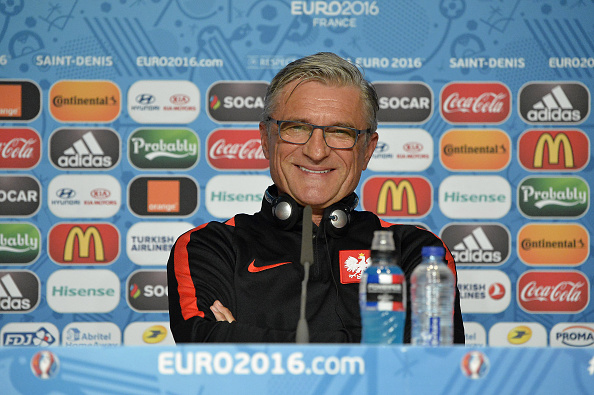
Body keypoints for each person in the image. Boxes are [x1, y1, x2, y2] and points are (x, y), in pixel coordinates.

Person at [167, 52, 465, 343]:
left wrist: (242, 339)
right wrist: (380, 344)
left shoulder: (416, 252)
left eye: (341, 132)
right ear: (265, 140)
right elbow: (203, 347)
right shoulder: (210, 247)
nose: (317, 151)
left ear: (368, 149)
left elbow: (430, 366)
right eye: (297, 128)